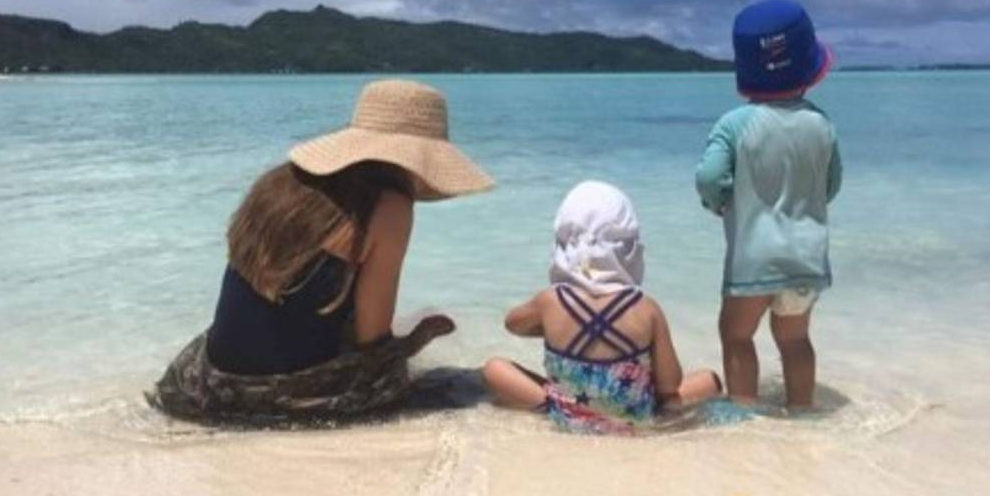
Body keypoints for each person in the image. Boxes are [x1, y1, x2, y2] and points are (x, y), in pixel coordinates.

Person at [147, 79, 494, 425]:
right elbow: (370, 337)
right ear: (421, 158)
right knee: (463, 388)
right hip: (285, 396)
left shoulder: (281, 183)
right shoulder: (391, 207)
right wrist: (409, 345)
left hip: (204, 382)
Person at [481, 181, 722, 435]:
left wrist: (554, 329)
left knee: (494, 368)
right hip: (632, 417)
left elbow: (512, 325)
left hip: (567, 414)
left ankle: (552, 409)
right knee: (709, 379)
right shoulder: (646, 308)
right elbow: (669, 384)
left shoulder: (550, 301)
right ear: (630, 247)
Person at [695, 0, 842, 410]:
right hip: (807, 259)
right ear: (810, 69)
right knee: (795, 340)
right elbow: (831, 184)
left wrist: (720, 202)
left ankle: (742, 416)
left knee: (737, 336)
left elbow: (708, 177)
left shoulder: (734, 125)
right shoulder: (822, 124)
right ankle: (803, 412)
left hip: (753, 262)